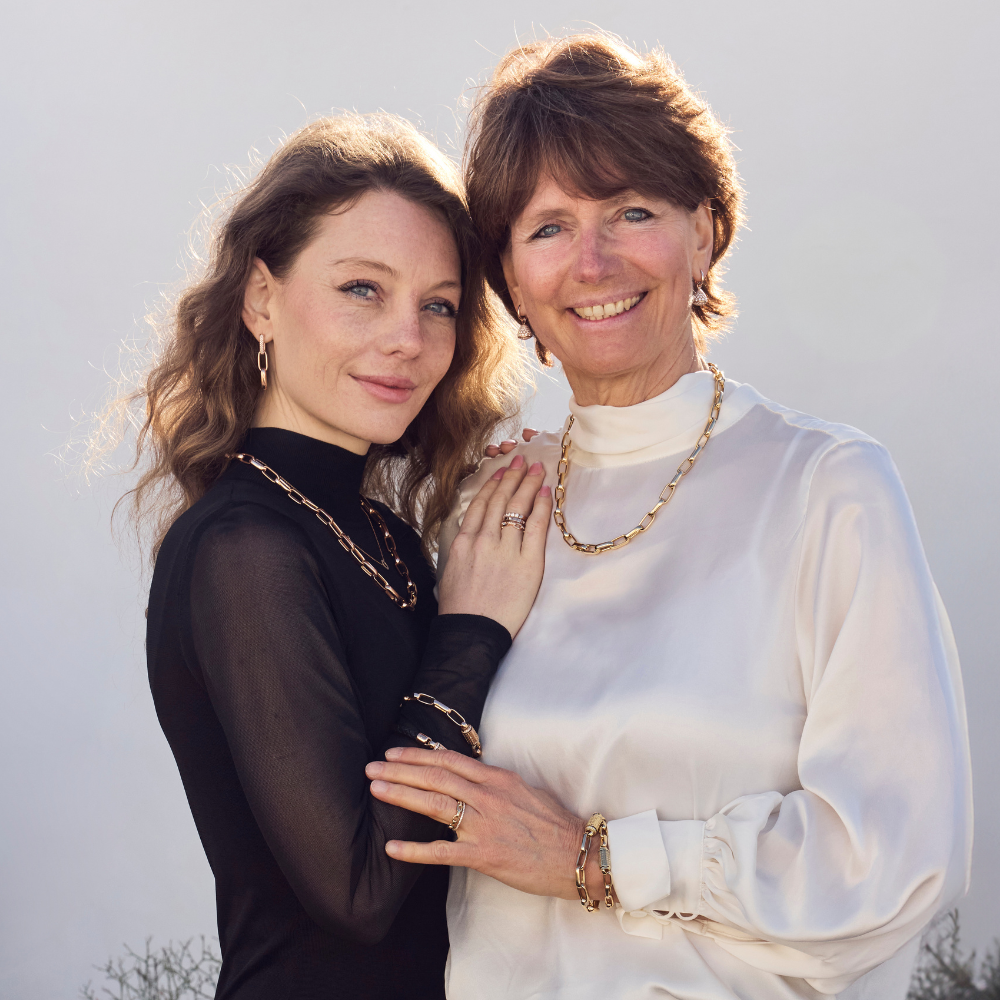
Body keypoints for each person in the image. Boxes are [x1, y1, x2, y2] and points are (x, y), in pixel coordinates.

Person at [365, 35, 973, 1000]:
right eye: (548, 228)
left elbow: (889, 860)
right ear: (510, 279)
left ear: (706, 231)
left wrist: (593, 859)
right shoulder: (483, 510)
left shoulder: (827, 487)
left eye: (632, 211)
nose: (592, 260)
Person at [131, 114, 552, 998]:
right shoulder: (241, 548)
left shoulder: (387, 539)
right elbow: (359, 893)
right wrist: (472, 629)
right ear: (261, 300)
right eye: (363, 288)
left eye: (439, 305)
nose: (408, 338)